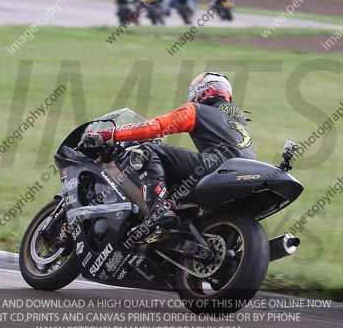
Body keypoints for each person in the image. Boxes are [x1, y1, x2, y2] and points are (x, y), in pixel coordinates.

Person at [80, 72, 255, 239]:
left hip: (217, 164)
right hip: (244, 170)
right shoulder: (238, 119)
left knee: (149, 150)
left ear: (203, 90)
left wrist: (109, 134)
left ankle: (159, 211)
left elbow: (154, 127)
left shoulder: (197, 110)